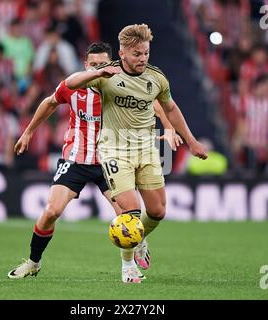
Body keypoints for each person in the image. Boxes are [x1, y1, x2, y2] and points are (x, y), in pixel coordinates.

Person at [7, 42, 183, 280]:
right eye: (94, 65)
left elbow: (156, 104)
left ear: (111, 64)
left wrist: (170, 128)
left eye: (103, 64)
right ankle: (33, 262)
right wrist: (28, 132)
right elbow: (49, 103)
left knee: (126, 216)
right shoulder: (73, 85)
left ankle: (129, 267)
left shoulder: (120, 86)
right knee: (51, 211)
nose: (99, 68)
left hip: (111, 159)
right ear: (85, 65)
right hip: (76, 159)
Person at [65, 24, 208, 283]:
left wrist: (191, 141)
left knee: (157, 212)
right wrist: (97, 73)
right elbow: (70, 83)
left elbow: (171, 108)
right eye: (136, 54)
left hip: (146, 150)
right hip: (114, 150)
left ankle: (139, 239)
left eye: (145, 53)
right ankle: (128, 268)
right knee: (131, 212)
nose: (142, 58)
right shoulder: (106, 75)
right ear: (122, 53)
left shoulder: (156, 78)